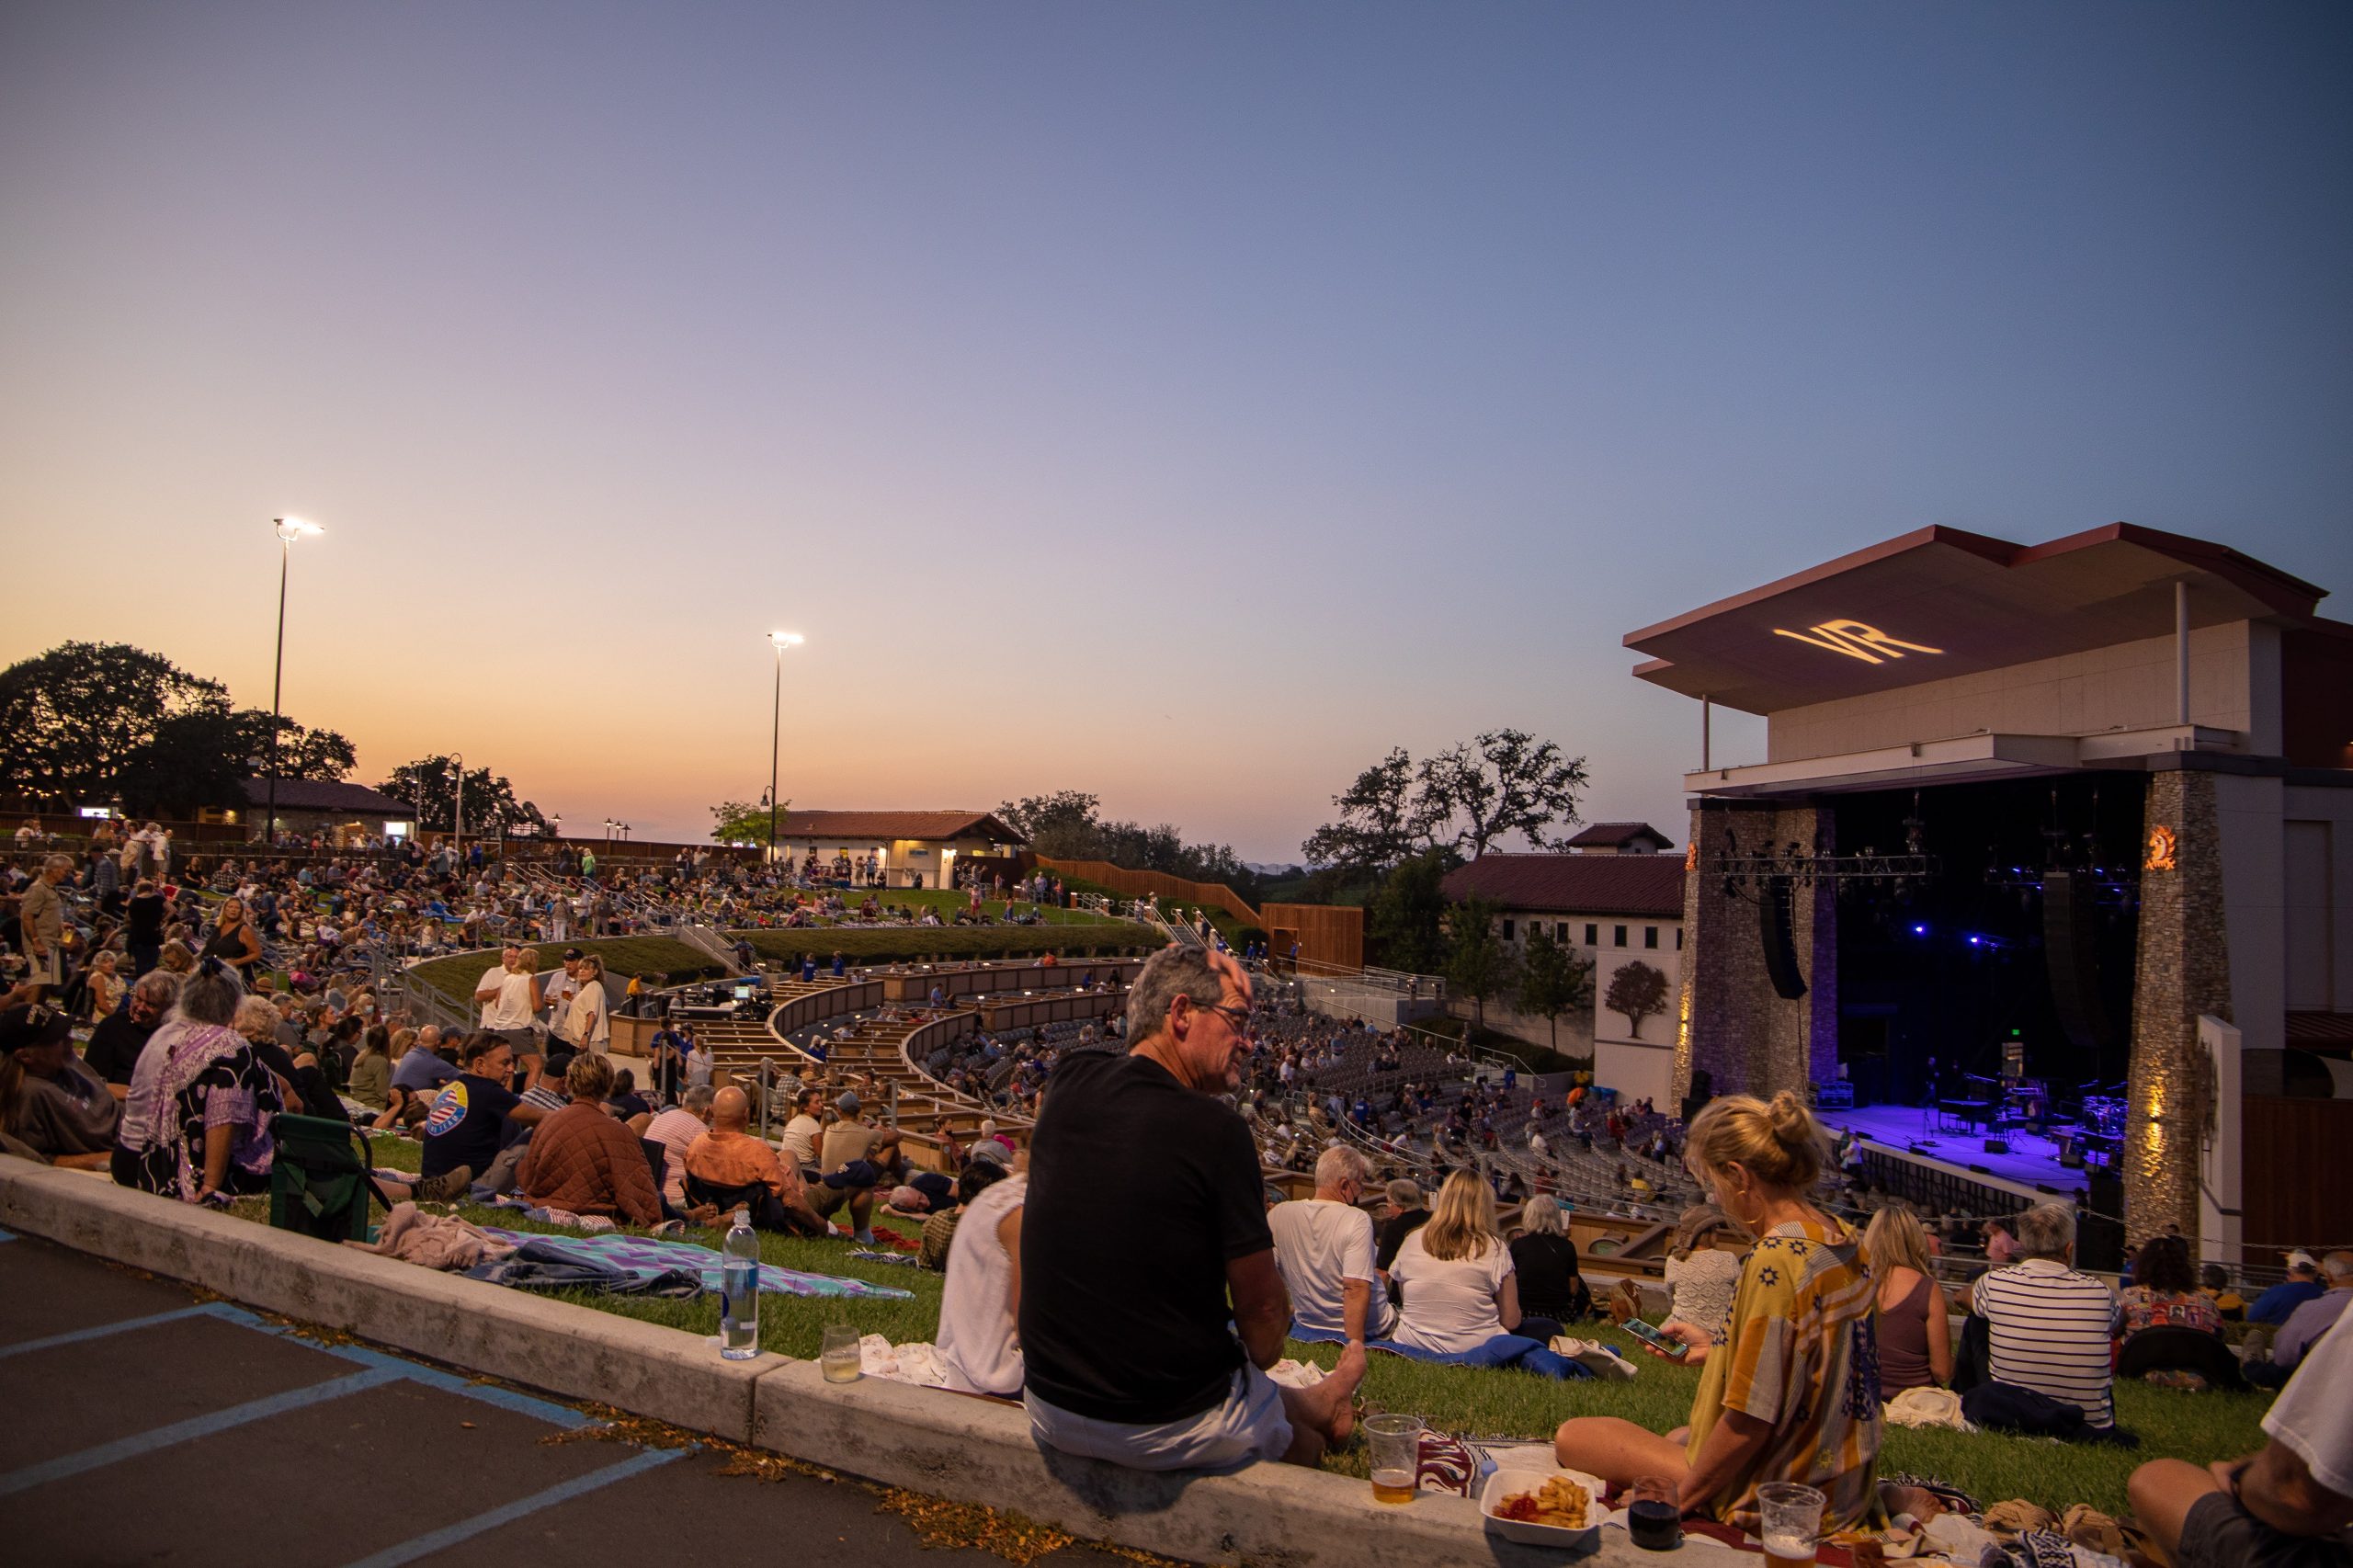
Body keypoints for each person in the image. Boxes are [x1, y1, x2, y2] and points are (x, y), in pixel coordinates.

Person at [1021, 946, 1364, 1471]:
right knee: (1307, 1445)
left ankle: (1317, 1399)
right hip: (1156, 1421)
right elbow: (1264, 1329)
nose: (1249, 1042)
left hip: (1051, 1405)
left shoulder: (1068, 1081)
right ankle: (1320, 1413)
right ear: (1181, 1014)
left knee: (1251, 1389)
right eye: (1237, 1019)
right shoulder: (1217, 1132)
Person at [1554, 1092, 1892, 1536]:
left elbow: (1751, 1419)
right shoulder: (1846, 1239)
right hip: (1842, 1479)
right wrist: (1717, 1350)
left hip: (1782, 1491)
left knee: (1574, 1436)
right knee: (1680, 1434)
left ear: (1739, 1176)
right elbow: (1809, 1365)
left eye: (1714, 1183)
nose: (1716, 1197)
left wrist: (1682, 1498)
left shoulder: (1776, 1258)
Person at [2128, 1313, 2353, 1568]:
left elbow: (2296, 1494)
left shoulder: (2319, 1309)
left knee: (2157, 1477)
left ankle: (2253, 1365)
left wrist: (2239, 1476)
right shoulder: (2210, 1306)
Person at [117, 961, 282, 1202]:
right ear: (235, 1004)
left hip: (128, 1157)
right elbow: (224, 1116)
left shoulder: (166, 1032)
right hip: (166, 1171)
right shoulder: (228, 1047)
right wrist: (210, 1186)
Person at [1971, 1201, 2120, 1430]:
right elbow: (2117, 1324)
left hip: (2012, 1412)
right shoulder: (2100, 1292)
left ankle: (1965, 1391)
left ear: (2024, 1246)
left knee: (1976, 1319)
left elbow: (1964, 1298)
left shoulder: (1993, 1283)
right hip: (2089, 1424)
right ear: (2069, 1249)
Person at [1391, 1169, 1564, 1358]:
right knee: (1549, 1328)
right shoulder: (1495, 1247)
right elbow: (1511, 1321)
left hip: (1412, 1340)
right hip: (1474, 1345)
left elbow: (1406, 1299)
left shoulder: (1412, 1239)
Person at [516, 1053, 663, 1226]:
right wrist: (653, 1220)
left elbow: (527, 1176)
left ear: (570, 1082)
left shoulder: (548, 1122)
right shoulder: (619, 1132)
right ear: (608, 1085)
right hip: (596, 1209)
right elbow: (639, 1189)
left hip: (546, 1204)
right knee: (662, 1198)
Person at [1267, 1145, 1392, 1343]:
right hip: (1373, 1329)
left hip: (1308, 1323)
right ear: (1344, 1185)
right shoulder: (1356, 1218)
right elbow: (1355, 1288)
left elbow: (1267, 1276)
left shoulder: (1278, 1214)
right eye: (1360, 1183)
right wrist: (1354, 1347)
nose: (1361, 1190)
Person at [938, 1151, 1029, 1398]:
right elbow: (1032, 1328)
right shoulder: (1021, 1212)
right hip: (997, 1382)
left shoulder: (999, 1196)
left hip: (964, 1365)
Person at [683, 1085, 830, 1233]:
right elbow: (790, 1201)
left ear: (712, 1112)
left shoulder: (696, 1146)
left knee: (788, 1155)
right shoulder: (756, 1152)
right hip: (766, 1213)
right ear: (746, 1114)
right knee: (845, 1180)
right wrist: (820, 1224)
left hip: (714, 1201)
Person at [417, 1033, 548, 1190]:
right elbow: (543, 1118)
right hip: (471, 1184)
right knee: (537, 1129)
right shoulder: (489, 1091)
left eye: (512, 1062)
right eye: (505, 1063)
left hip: (432, 1178)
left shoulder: (452, 1085)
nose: (512, 1069)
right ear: (480, 1065)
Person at [0, 1000, 119, 1168]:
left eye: (66, 1032)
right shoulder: (30, 1095)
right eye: (57, 1039)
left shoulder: (64, 1063)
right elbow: (39, 1161)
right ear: (25, 1056)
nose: (70, 1039)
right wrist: (116, 1158)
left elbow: (103, 1087)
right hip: (123, 1147)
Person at [1864, 1206, 1952, 1393]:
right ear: (1915, 1239)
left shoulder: (1855, 1284)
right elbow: (1942, 1372)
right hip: (1915, 1395)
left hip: (1863, 1392)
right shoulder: (1928, 1288)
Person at [2250, 1250, 2353, 1389]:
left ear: (2329, 1277)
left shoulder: (2311, 1308)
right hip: (2342, 1376)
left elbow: (2284, 1357)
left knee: (2262, 1369)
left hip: (2321, 1381)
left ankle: (2252, 1365)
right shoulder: (2318, 1294)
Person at [814, 1089, 901, 1245]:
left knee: (867, 1154)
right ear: (859, 1111)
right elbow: (895, 1137)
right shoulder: (866, 1133)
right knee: (890, 1144)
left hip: (829, 1177)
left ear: (839, 1110)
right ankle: (863, 1234)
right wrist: (886, 1132)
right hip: (848, 1177)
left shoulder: (829, 1129)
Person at [1659, 1205, 1745, 1362]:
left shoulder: (1673, 1261)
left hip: (1680, 1332)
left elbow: (1670, 1296)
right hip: (1720, 1333)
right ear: (1710, 1233)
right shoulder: (1728, 1259)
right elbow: (1739, 1296)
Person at [83, 971, 177, 1095]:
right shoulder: (111, 1027)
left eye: (150, 1004)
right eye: (138, 998)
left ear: (167, 1008)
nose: (140, 1007)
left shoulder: (173, 1032)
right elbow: (92, 1081)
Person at [2119, 1234, 2224, 1343]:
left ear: (2144, 1265)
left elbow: (2114, 1331)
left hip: (2142, 1358)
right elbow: (2219, 1338)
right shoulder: (2207, 1303)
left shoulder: (2129, 1298)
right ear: (2183, 1266)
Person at [1510, 1196, 1592, 1326]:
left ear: (1528, 1216)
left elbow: (1510, 1282)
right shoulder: (1567, 1246)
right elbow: (1574, 1289)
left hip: (1523, 1312)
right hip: (1557, 1315)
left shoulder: (1517, 1245)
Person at [640, 1083, 714, 1211]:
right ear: (706, 1110)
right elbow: (714, 1168)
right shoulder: (698, 1129)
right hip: (677, 1198)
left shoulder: (663, 1117)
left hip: (653, 1192)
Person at [18, 855, 72, 996]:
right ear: (54, 869)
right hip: (40, 944)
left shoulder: (50, 889)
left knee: (46, 985)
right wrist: (36, 941)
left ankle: (38, 1014)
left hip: (52, 943)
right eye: (66, 871)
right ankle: (26, 1016)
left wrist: (60, 925)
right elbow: (27, 916)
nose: (68, 874)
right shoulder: (38, 889)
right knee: (39, 982)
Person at [2251, 1252, 2328, 1326]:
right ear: (2315, 1274)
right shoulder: (2325, 1294)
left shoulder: (2276, 1292)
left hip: (2279, 1337)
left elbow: (2252, 1317)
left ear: (2289, 1272)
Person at [200, 896, 266, 983]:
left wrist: (236, 962)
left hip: (237, 977)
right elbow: (208, 948)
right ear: (225, 909)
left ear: (241, 911)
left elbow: (257, 953)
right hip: (213, 974)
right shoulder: (220, 926)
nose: (233, 910)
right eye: (230, 907)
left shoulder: (244, 929)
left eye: (237, 908)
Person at [1374, 1177, 1430, 1274]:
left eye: (1390, 1203)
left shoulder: (1392, 1228)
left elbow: (1384, 1268)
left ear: (1400, 1207)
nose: (1388, 1206)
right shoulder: (1434, 1219)